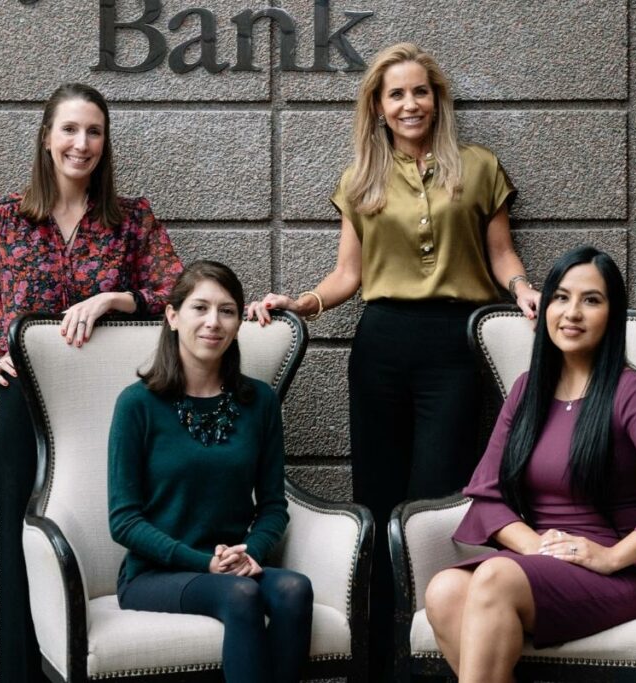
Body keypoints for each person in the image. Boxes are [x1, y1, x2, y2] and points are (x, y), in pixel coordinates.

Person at [246, 42, 540, 679]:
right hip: (380, 346)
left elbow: (501, 255)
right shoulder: (361, 179)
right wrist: (301, 302)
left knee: (433, 507)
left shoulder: (479, 168)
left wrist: (523, 289)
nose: (410, 104)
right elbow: (347, 275)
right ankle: (380, 664)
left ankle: (434, 655)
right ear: (378, 107)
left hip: (455, 347)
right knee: (377, 509)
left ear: (437, 99)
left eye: (420, 91)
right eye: (396, 94)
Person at [0, 83, 182, 682]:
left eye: (94, 131)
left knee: (95, 540)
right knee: (22, 548)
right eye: (70, 129)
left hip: (108, 407)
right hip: (24, 408)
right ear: (47, 137)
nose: (82, 143)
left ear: (105, 142)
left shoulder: (131, 220)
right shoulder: (3, 218)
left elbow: (178, 294)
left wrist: (116, 299)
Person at [424, 246, 636, 682]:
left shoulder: (632, 393)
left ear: (612, 315)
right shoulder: (526, 391)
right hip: (544, 560)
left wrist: (611, 557)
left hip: (623, 571)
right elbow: (487, 496)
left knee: (493, 577)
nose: (572, 313)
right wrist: (536, 546)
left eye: (592, 300)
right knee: (444, 590)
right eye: (561, 297)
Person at [108, 260, 313, 683]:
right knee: (240, 595)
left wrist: (251, 552)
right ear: (172, 316)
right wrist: (205, 564)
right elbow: (124, 521)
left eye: (227, 311)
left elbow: (273, 506)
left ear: (238, 323)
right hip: (156, 574)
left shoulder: (260, 402)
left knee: (295, 589)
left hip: (234, 566)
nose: (213, 322)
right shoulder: (137, 404)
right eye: (200, 308)